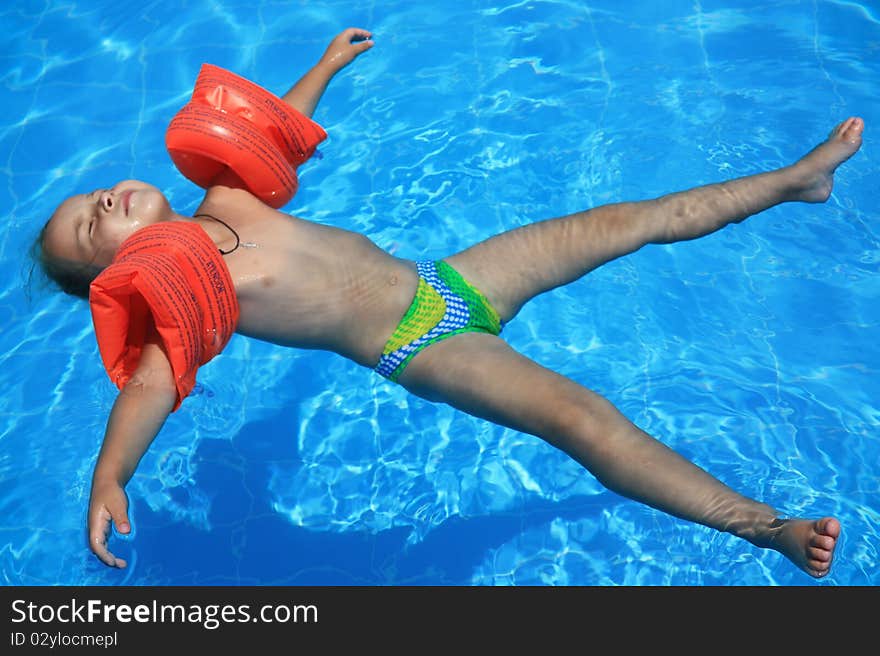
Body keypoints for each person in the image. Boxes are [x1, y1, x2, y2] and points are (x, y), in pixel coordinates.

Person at [33, 27, 862, 579]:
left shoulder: (223, 192)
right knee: (582, 419)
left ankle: (795, 180)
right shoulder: (187, 295)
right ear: (111, 277)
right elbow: (149, 384)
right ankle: (766, 527)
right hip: (422, 344)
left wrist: (323, 66)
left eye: (93, 196)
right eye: (87, 228)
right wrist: (112, 475)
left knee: (629, 222)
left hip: (450, 279)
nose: (101, 203)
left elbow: (276, 131)